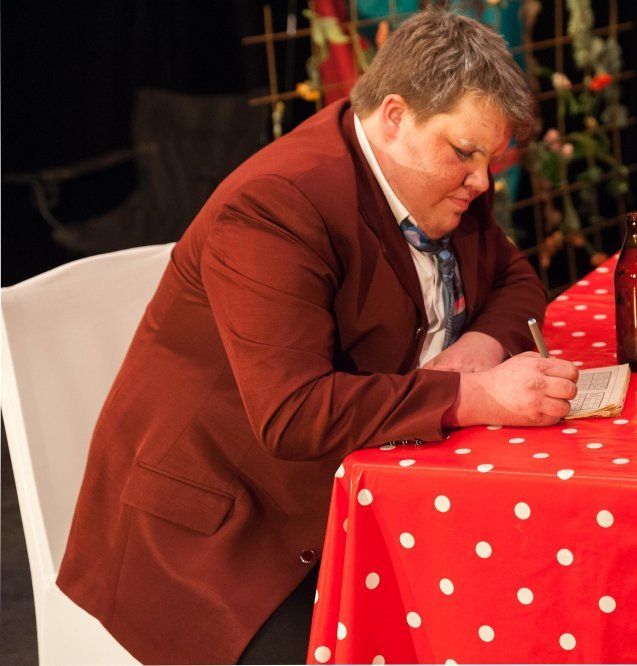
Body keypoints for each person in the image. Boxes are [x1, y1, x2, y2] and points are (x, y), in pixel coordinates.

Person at [56, 9, 579, 664]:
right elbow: (294, 413)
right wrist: (473, 396)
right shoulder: (276, 206)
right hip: (222, 538)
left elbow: (517, 279)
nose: (481, 179)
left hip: (350, 489)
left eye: (489, 158)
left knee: (508, 603)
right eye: (465, 152)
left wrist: (480, 349)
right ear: (394, 117)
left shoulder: (436, 181)